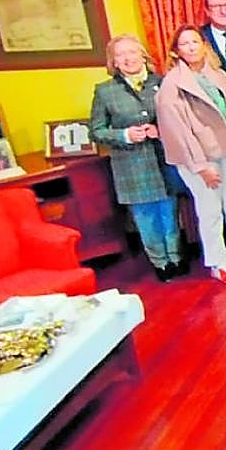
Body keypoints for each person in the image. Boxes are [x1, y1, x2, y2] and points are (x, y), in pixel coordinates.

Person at [156, 24, 226, 285]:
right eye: (185, 44)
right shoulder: (172, 84)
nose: (192, 48)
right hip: (199, 157)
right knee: (210, 209)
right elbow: (176, 131)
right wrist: (200, 165)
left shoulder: (218, 76)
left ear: (204, 45)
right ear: (176, 51)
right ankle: (217, 261)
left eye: (195, 42)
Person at [90, 34, 182, 282]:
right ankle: (160, 263)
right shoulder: (105, 91)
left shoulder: (162, 83)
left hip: (164, 161)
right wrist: (125, 135)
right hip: (131, 166)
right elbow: (96, 131)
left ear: (143, 55)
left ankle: (176, 257)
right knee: (146, 217)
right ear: (114, 62)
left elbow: (179, 119)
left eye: (132, 52)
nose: (128, 59)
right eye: (120, 55)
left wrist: (160, 131)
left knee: (169, 213)